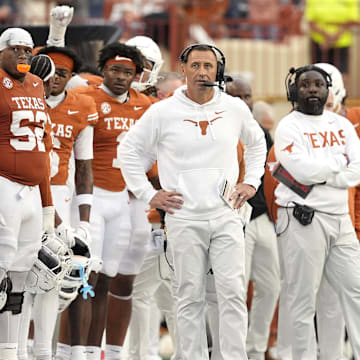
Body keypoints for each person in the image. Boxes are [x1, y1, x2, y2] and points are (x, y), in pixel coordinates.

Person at [118, 43, 266, 360]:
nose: (202, 72)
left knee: (232, 294)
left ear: (217, 70)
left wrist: (251, 182)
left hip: (227, 215)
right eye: (195, 65)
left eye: (208, 66)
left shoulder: (234, 107)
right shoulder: (162, 112)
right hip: (183, 218)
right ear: (183, 69)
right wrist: (148, 194)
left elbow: (257, 145)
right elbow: (128, 153)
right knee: (188, 296)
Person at [73, 42, 153, 360]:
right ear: (103, 69)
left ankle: (98, 351)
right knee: (83, 279)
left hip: (122, 198)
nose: (120, 77)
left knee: (107, 280)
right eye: (115, 70)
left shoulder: (145, 104)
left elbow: (152, 148)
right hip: (90, 197)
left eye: (127, 72)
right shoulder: (86, 96)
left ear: (136, 75)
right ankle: (72, 351)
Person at [274, 64, 360, 359]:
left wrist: (323, 172)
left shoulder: (342, 125)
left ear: (328, 91)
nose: (312, 89)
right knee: (302, 301)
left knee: (356, 292)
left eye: (318, 85)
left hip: (341, 221)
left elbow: (357, 171)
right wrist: (339, 167)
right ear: (294, 91)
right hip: (302, 219)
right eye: (305, 85)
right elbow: (299, 169)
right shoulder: (288, 126)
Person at [0, 27, 54, 360]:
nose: (24, 55)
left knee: (21, 277)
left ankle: (9, 351)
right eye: (17, 49)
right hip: (4, 183)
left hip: (32, 190)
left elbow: (44, 146)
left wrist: (48, 206)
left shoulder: (35, 83)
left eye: (28, 51)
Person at [305, 0, 359, 75]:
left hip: (342, 43)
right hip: (319, 42)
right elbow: (310, 21)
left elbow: (354, 20)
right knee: (318, 75)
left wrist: (330, 39)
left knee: (341, 75)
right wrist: (329, 37)